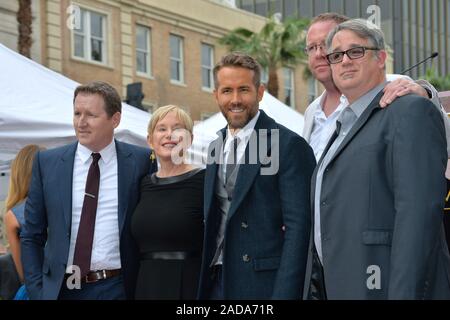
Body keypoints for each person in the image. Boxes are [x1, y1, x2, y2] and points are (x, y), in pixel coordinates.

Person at [303, 19, 450, 299]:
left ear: (381, 58)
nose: (344, 61)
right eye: (336, 56)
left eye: (355, 51)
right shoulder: (338, 126)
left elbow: (418, 218)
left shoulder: (408, 109)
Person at [20, 81, 156, 300]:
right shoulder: (47, 163)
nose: (81, 123)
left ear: (115, 119)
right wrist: (38, 292)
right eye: (76, 113)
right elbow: (31, 235)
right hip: (60, 290)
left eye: (91, 115)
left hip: (117, 288)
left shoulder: (141, 161)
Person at [197, 52, 316, 300]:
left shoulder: (288, 144)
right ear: (216, 95)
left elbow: (299, 230)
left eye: (244, 90)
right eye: (227, 91)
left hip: (262, 284)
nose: (236, 99)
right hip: (215, 283)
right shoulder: (214, 146)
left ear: (260, 92)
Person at [302, 13, 450, 161]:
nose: (318, 54)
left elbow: (442, 140)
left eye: (325, 44)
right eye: (311, 47)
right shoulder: (312, 110)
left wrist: (425, 95)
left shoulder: (393, 87)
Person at [131, 105, 204, 300]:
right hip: (146, 285)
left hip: (189, 286)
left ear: (190, 139)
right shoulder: (142, 183)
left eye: (178, 129)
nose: (169, 134)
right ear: (150, 140)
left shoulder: (205, 180)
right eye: (162, 129)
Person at [3, 144, 45, 299]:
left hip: (38, 289)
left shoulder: (14, 216)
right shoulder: (63, 204)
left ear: (18, 174)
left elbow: (24, 273)